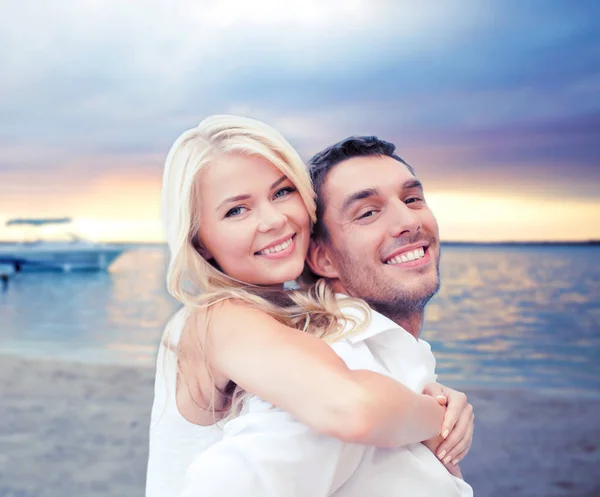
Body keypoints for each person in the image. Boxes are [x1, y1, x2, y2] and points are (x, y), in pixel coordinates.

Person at [146, 117, 473, 497]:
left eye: (282, 192)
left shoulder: (293, 321)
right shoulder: (218, 318)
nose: (274, 220)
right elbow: (352, 407)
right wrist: (437, 415)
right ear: (200, 241)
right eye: (236, 210)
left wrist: (416, 384)